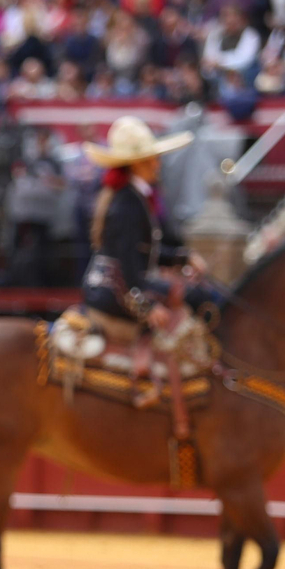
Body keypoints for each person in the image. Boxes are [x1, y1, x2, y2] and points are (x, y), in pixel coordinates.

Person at [81, 116, 213, 399]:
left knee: (198, 294)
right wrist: (146, 307)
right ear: (137, 164)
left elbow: (142, 254)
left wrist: (182, 258)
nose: (158, 164)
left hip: (115, 284)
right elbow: (129, 270)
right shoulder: (128, 205)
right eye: (153, 159)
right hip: (114, 290)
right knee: (202, 299)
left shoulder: (131, 197)